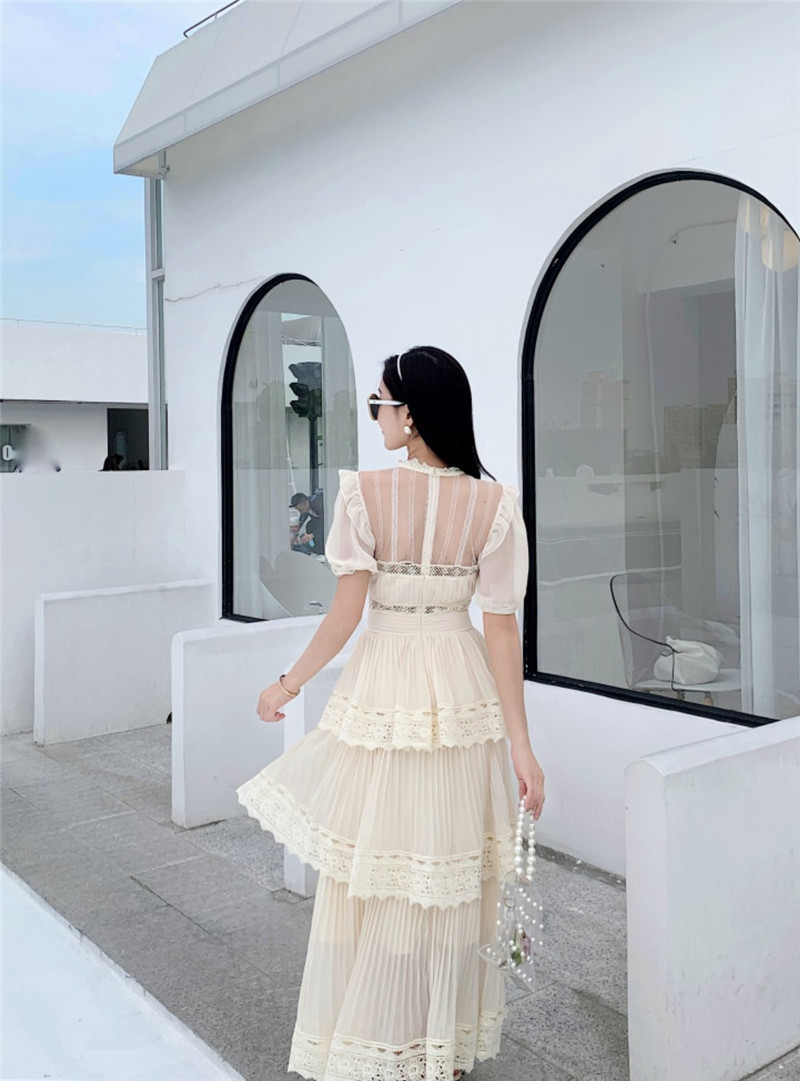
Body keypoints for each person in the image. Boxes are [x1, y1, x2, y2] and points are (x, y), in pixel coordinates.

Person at [236, 345, 545, 1080]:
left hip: (385, 688)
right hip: (461, 691)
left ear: (411, 415)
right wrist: (521, 745)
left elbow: (346, 614)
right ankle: (440, 1045)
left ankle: (383, 1037)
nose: (374, 414)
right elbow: (502, 630)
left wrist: (287, 683)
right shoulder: (495, 504)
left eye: (379, 403)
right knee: (448, 870)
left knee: (379, 868)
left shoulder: (363, 495)